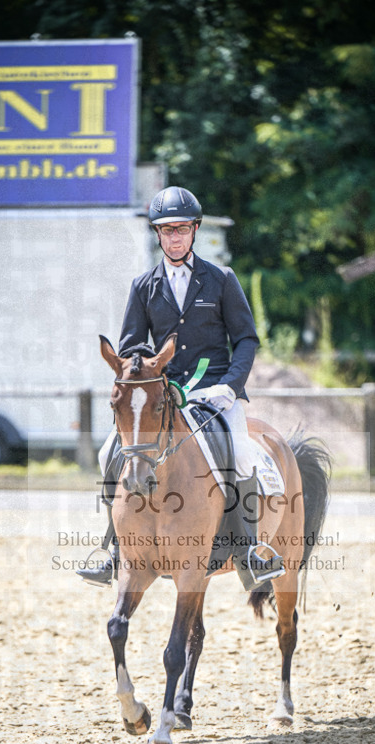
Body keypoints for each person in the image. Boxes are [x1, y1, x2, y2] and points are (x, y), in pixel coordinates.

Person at [78, 185, 285, 591]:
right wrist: (145, 371)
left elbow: (246, 339)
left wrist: (231, 385)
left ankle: (249, 552)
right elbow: (132, 346)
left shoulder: (221, 280)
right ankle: (114, 549)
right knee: (110, 452)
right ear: (158, 234)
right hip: (164, 395)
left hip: (215, 393)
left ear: (194, 231)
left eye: (182, 229)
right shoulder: (144, 286)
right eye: (167, 230)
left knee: (242, 455)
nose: (175, 237)